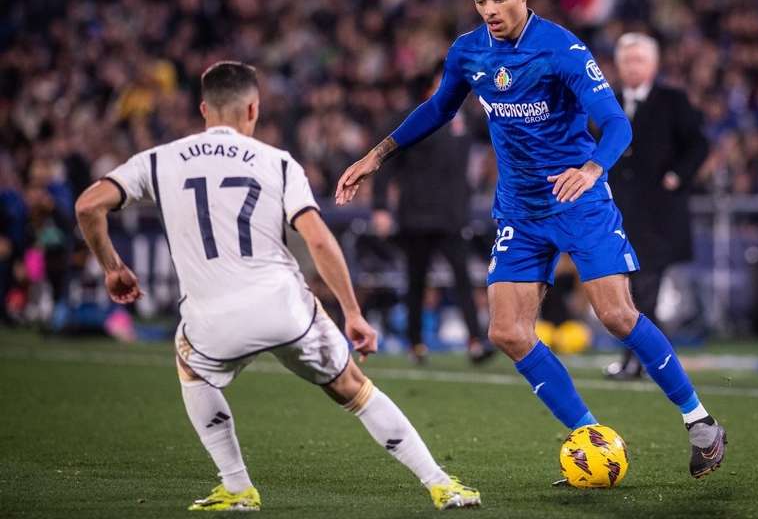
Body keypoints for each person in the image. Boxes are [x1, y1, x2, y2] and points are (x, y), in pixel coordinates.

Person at [335, 0, 726, 480]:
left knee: (615, 315)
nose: (489, 9)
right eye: (479, 1)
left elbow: (616, 124)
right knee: (508, 331)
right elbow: (436, 109)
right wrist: (376, 156)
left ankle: (699, 420)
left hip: (578, 198)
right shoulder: (468, 52)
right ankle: (589, 436)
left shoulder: (562, 49)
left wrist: (592, 170)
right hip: (520, 207)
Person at [74, 61, 480, 511]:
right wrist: (352, 312)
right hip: (283, 308)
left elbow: (89, 206)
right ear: (254, 109)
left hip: (210, 319)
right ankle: (441, 483)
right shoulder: (277, 163)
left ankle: (236, 486)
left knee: (191, 367)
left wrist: (112, 267)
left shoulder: (159, 159)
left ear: (204, 108)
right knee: (354, 388)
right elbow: (319, 240)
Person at [605, 32, 710, 379]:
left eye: (639, 59)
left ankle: (636, 362)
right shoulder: (610, 101)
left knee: (644, 292)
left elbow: (698, 144)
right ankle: (642, 361)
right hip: (620, 215)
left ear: (653, 64)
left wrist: (677, 176)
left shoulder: (672, 100)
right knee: (628, 292)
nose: (632, 66)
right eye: (627, 59)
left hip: (658, 218)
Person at [372, 71, 493, 364]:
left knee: (462, 277)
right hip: (416, 214)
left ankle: (476, 340)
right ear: (428, 87)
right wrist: (380, 207)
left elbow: (498, 129)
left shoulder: (464, 120)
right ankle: (415, 343)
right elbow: (384, 163)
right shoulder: (410, 118)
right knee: (416, 280)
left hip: (452, 214)